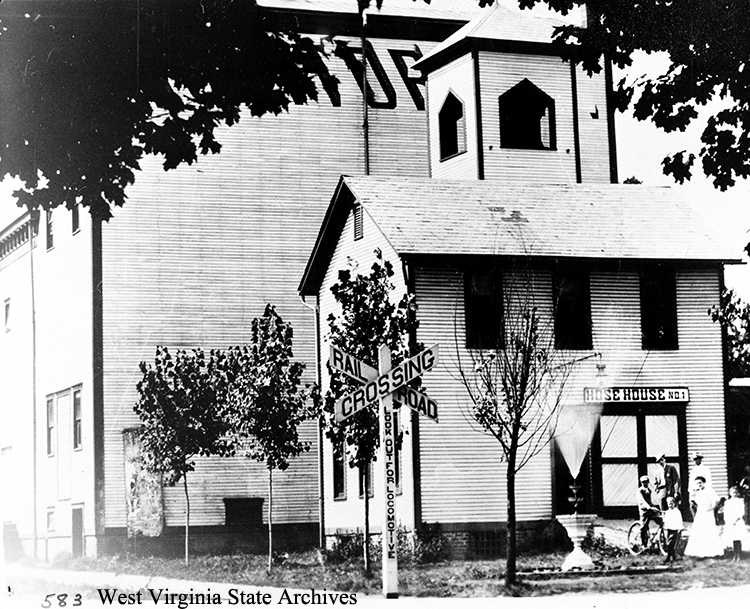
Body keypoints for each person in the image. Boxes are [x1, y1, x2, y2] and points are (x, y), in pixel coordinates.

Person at [684, 476, 724, 558]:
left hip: (708, 512)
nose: (698, 484)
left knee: (709, 529)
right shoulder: (697, 492)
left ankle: (711, 551)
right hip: (700, 512)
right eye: (697, 483)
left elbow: (717, 500)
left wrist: (712, 507)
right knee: (699, 530)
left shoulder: (709, 490)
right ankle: (699, 551)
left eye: (700, 483)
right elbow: (695, 502)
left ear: (704, 483)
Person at [723, 486, 747, 562]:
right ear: (730, 493)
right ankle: (735, 554)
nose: (734, 494)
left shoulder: (740, 501)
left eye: (735, 492)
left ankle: (739, 554)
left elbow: (742, 512)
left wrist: (736, 520)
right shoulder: (727, 502)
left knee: (738, 538)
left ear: (737, 493)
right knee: (733, 538)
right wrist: (727, 521)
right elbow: (726, 513)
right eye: (733, 492)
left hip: (738, 521)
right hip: (730, 521)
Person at [637, 475, 662, 547]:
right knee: (643, 526)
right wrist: (648, 507)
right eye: (643, 482)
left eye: (646, 482)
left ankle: (661, 539)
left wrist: (655, 507)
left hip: (650, 509)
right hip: (644, 510)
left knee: (660, 520)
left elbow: (649, 501)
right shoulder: (640, 491)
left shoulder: (649, 491)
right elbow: (642, 501)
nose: (644, 484)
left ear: (648, 482)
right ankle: (643, 544)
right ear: (641, 483)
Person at [690, 451, 713, 516]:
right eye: (694, 459)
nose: (695, 461)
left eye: (696, 459)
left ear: (700, 459)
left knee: (702, 506)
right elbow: (691, 482)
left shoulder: (705, 469)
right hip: (694, 491)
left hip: (703, 490)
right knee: (693, 506)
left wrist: (707, 491)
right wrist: (691, 492)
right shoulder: (693, 470)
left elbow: (708, 481)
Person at [663, 495, 683, 563]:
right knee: (669, 544)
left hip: (675, 529)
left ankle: (669, 557)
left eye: (671, 503)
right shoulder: (667, 512)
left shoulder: (677, 511)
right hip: (669, 529)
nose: (670, 505)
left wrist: (680, 528)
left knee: (671, 544)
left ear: (674, 504)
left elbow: (680, 520)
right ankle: (673, 557)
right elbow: (666, 521)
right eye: (669, 504)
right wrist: (665, 528)